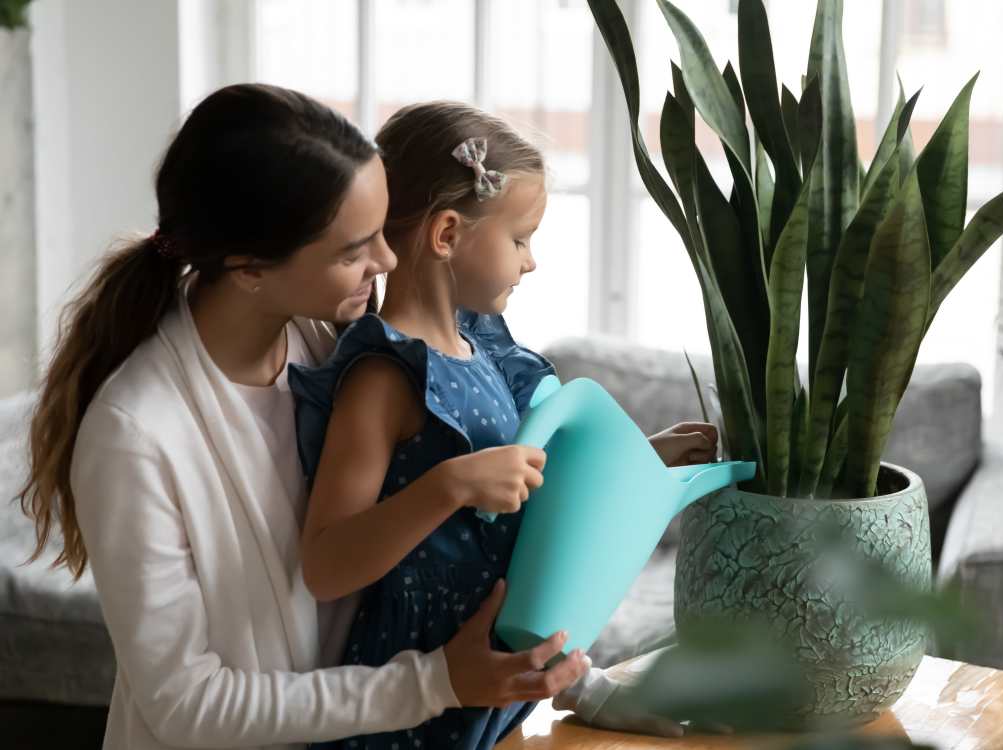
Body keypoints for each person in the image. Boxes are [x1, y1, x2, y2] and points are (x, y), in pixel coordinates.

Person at [17, 84, 587, 750]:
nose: (388, 260)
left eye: (381, 229)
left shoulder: (333, 348)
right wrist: (434, 684)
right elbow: (188, 706)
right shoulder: (134, 436)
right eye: (354, 251)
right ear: (251, 270)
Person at [292, 101, 720, 750]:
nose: (530, 262)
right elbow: (325, 564)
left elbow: (526, 469)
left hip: (493, 694)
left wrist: (641, 458)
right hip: (412, 707)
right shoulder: (386, 375)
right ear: (446, 236)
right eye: (520, 239)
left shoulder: (482, 345)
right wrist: (448, 486)